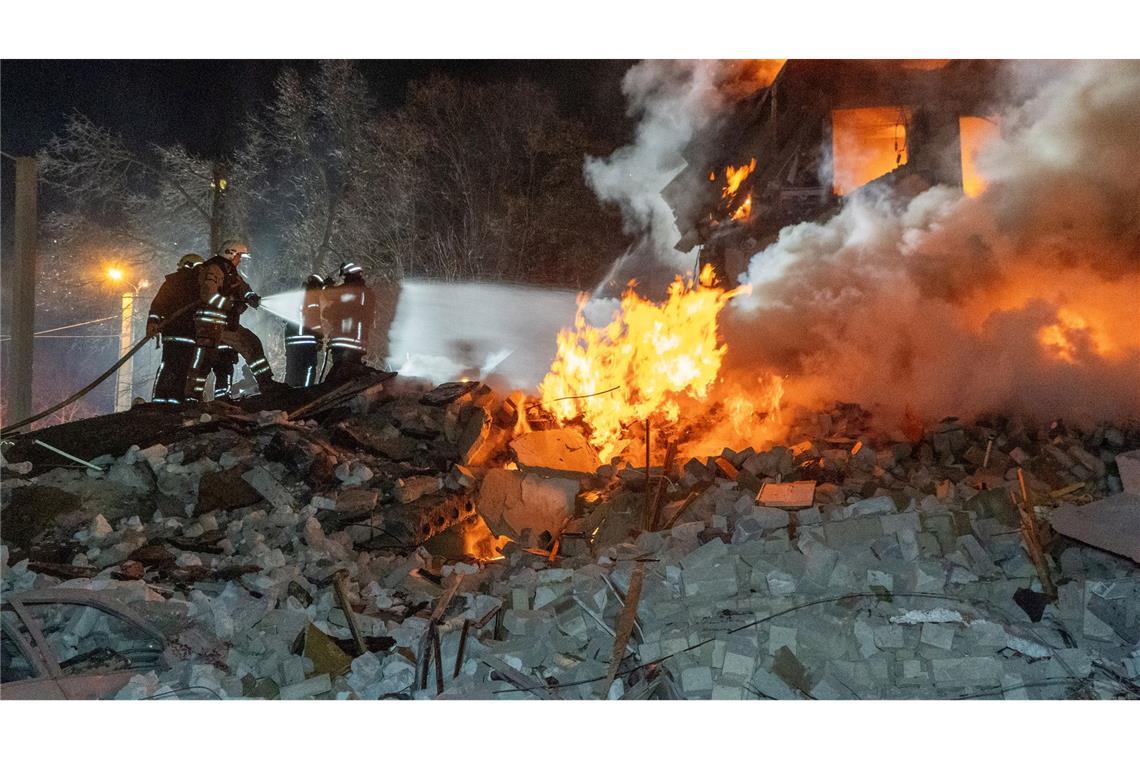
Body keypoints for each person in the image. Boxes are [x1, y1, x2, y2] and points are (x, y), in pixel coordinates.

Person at [184, 239, 287, 401]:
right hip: (208, 323)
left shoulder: (230, 271)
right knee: (204, 360)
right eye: (239, 256)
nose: (240, 260)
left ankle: (266, 383)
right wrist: (229, 305)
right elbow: (208, 295)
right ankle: (192, 396)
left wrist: (251, 297)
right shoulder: (214, 269)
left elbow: (242, 288)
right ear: (230, 253)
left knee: (251, 343)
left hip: (224, 323)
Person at [146, 253, 203, 405]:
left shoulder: (172, 283)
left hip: (172, 333)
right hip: (189, 334)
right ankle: (174, 400)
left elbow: (157, 306)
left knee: (169, 365)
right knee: (183, 368)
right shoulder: (199, 284)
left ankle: (162, 399)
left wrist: (152, 323)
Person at [321, 262, 376, 384]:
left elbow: (329, 296)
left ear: (348, 275)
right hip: (359, 341)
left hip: (344, 340)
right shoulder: (366, 293)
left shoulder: (349, 291)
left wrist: (327, 285)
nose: (344, 280)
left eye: (345, 277)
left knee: (341, 374)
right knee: (351, 372)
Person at [284, 274, 326, 387]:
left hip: (292, 341)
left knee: (293, 370)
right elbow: (314, 319)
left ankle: (288, 396)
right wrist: (319, 338)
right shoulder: (312, 297)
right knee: (309, 369)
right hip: (305, 341)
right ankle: (305, 394)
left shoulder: (298, 296)